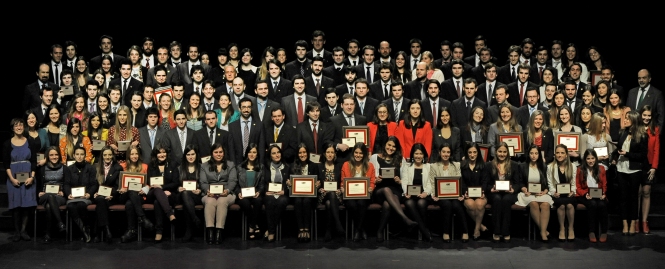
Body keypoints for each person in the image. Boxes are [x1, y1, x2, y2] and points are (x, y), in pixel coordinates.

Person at [370, 136, 417, 242]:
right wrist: (376, 180)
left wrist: (399, 181)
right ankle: (405, 219)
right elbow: (370, 175)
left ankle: (380, 231)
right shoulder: (374, 157)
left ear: (397, 148)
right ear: (385, 145)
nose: (391, 148)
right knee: (386, 189)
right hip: (379, 190)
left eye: (393, 146)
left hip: (395, 190)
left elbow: (405, 179)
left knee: (387, 204)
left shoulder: (401, 159)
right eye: (389, 145)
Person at [613, 111, 648, 236]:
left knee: (633, 197)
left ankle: (633, 223)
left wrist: (627, 154)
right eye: (625, 118)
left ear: (634, 120)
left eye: (628, 118)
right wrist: (615, 155)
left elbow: (642, 156)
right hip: (621, 168)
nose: (625, 120)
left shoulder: (642, 135)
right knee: (623, 197)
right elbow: (619, 150)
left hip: (634, 169)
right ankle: (625, 224)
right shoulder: (622, 132)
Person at [430, 143, 469, 242]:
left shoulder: (456, 165)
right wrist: (434, 195)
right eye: (444, 152)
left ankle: (465, 232)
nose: (446, 154)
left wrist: (460, 194)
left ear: (450, 153)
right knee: (447, 204)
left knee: (457, 205)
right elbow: (432, 183)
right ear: (439, 152)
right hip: (440, 196)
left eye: (448, 152)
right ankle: (446, 232)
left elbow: (459, 181)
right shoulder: (434, 166)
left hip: (454, 195)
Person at [200, 143, 237, 244]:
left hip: (226, 193)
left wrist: (227, 190)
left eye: (220, 152)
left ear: (224, 153)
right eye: (216, 152)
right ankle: (210, 232)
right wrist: (207, 190)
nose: (218, 154)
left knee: (221, 201)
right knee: (210, 201)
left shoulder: (230, 164)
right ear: (212, 154)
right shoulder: (204, 166)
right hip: (209, 193)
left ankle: (219, 232)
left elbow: (233, 181)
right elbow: (203, 182)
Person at [515, 145, 553, 242]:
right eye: (531, 153)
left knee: (545, 204)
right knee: (533, 203)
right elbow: (520, 183)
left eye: (536, 153)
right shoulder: (522, 166)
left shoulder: (544, 166)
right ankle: (544, 232)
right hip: (527, 193)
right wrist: (524, 190)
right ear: (528, 154)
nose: (534, 156)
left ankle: (542, 231)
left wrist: (544, 191)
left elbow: (548, 184)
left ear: (539, 155)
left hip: (540, 193)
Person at [340, 143, 376, 242]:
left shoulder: (370, 166)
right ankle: (361, 228)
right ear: (353, 153)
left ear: (364, 154)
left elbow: (372, 182)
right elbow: (342, 182)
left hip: (364, 196)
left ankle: (357, 229)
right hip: (350, 196)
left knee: (361, 203)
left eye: (360, 153)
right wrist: (343, 188)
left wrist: (371, 188)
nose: (358, 155)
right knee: (352, 204)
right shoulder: (346, 165)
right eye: (356, 152)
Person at [119, 145, 153, 243]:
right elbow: (119, 184)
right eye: (132, 154)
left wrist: (145, 189)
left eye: (136, 153)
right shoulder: (122, 166)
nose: (134, 156)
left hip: (139, 195)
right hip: (125, 195)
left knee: (130, 204)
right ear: (128, 155)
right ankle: (143, 218)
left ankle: (131, 230)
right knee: (130, 189)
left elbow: (149, 184)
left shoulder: (145, 166)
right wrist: (122, 188)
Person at [487, 142, 520, 242]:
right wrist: (491, 189)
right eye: (500, 151)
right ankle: (496, 231)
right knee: (497, 199)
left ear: (508, 153)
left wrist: (513, 189)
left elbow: (517, 183)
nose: (502, 154)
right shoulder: (489, 165)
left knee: (505, 200)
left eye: (504, 152)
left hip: (509, 193)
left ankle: (506, 231)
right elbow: (485, 183)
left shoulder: (514, 165)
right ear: (496, 152)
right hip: (494, 193)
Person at [64, 146, 98, 243]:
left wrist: (89, 194)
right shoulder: (69, 169)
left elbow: (94, 184)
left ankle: (86, 226)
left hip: (85, 196)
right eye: (77, 154)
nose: (79, 157)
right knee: (70, 206)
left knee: (81, 205)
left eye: (82, 154)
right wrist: (68, 194)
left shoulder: (91, 168)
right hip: (73, 197)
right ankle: (84, 230)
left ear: (85, 156)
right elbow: (66, 184)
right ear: (74, 156)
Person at [146, 143, 179, 243]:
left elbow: (176, 182)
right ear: (155, 154)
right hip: (153, 192)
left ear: (167, 153)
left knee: (157, 202)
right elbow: (149, 182)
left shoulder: (173, 164)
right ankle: (170, 214)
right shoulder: (151, 165)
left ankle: (159, 231)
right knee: (157, 190)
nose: (162, 155)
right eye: (159, 153)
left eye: (164, 152)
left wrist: (163, 188)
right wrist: (160, 189)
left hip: (169, 194)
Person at [288, 143, 320, 242]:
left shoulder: (313, 166)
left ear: (307, 153)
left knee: (306, 201)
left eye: (304, 152)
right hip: (297, 196)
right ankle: (300, 229)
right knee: (298, 201)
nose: (302, 155)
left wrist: (318, 184)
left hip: (310, 196)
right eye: (300, 153)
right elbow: (288, 183)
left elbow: (319, 181)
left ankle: (307, 229)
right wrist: (288, 183)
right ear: (297, 154)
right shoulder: (292, 166)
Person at [576, 149, 608, 243]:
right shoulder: (580, 169)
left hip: (599, 194)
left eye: (592, 158)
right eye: (588, 158)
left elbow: (604, 185)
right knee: (592, 204)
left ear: (596, 158)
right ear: (585, 160)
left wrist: (603, 194)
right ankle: (591, 231)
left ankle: (604, 231)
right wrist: (585, 194)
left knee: (602, 205)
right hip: (585, 195)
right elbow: (577, 187)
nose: (591, 161)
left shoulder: (601, 168)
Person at [91, 146, 122, 243]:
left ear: (112, 155)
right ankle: (107, 230)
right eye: (105, 155)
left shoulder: (118, 167)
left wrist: (111, 194)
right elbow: (93, 184)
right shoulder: (96, 167)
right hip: (99, 195)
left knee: (100, 204)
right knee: (100, 200)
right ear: (102, 156)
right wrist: (94, 192)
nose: (107, 157)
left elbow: (118, 186)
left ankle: (98, 232)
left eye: (109, 154)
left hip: (112, 197)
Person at [36, 146, 67, 242]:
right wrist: (38, 192)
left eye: (56, 154)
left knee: (49, 206)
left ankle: (48, 233)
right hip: (44, 195)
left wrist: (64, 192)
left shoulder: (64, 168)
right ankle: (60, 222)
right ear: (47, 156)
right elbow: (37, 183)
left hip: (59, 196)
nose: (54, 157)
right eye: (51, 155)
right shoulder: (42, 169)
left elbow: (67, 183)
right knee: (49, 196)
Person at [547, 144, 577, 241]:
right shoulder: (550, 167)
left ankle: (571, 228)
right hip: (557, 195)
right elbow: (550, 184)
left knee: (569, 205)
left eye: (562, 153)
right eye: (557, 153)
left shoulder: (573, 166)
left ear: (566, 155)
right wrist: (553, 192)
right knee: (562, 205)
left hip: (569, 194)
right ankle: (562, 229)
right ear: (555, 154)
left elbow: (574, 183)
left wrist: (572, 191)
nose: (559, 155)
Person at [638, 106, 659, 234]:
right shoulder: (635, 128)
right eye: (644, 115)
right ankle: (635, 221)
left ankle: (644, 222)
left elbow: (657, 150)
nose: (646, 118)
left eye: (649, 116)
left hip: (649, 165)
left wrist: (654, 167)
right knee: (637, 191)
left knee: (647, 191)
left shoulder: (655, 129)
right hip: (637, 164)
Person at [235, 143, 263, 240]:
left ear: (257, 154)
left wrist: (259, 191)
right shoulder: (239, 167)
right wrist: (238, 192)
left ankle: (251, 227)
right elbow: (236, 184)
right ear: (246, 153)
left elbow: (262, 184)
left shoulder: (261, 168)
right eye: (250, 152)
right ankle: (255, 225)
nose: (252, 154)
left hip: (255, 194)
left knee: (258, 201)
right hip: (243, 195)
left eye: (254, 152)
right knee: (245, 203)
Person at [317, 142, 345, 241]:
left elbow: (342, 182)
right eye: (328, 152)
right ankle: (338, 225)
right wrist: (318, 188)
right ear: (324, 154)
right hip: (323, 195)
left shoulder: (339, 166)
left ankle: (328, 230)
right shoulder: (319, 167)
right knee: (329, 197)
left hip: (336, 195)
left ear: (335, 154)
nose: (330, 154)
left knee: (329, 202)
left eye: (332, 152)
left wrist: (341, 189)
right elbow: (316, 183)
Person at [263, 144, 290, 242]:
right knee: (269, 201)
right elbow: (263, 182)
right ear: (270, 155)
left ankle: (271, 231)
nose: (277, 155)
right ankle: (272, 231)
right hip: (270, 193)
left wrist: (284, 191)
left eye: (278, 152)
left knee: (282, 202)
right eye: (274, 153)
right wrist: (267, 191)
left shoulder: (287, 167)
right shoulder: (266, 168)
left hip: (282, 194)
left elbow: (290, 184)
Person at [177, 144, 203, 242]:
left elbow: (204, 183)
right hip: (183, 195)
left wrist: (200, 190)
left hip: (197, 195)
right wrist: (178, 188)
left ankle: (189, 231)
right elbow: (175, 184)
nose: (191, 157)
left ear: (196, 155)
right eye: (188, 154)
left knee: (187, 201)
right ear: (185, 156)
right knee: (185, 195)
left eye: (193, 154)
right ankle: (195, 219)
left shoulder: (201, 167)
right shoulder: (180, 168)